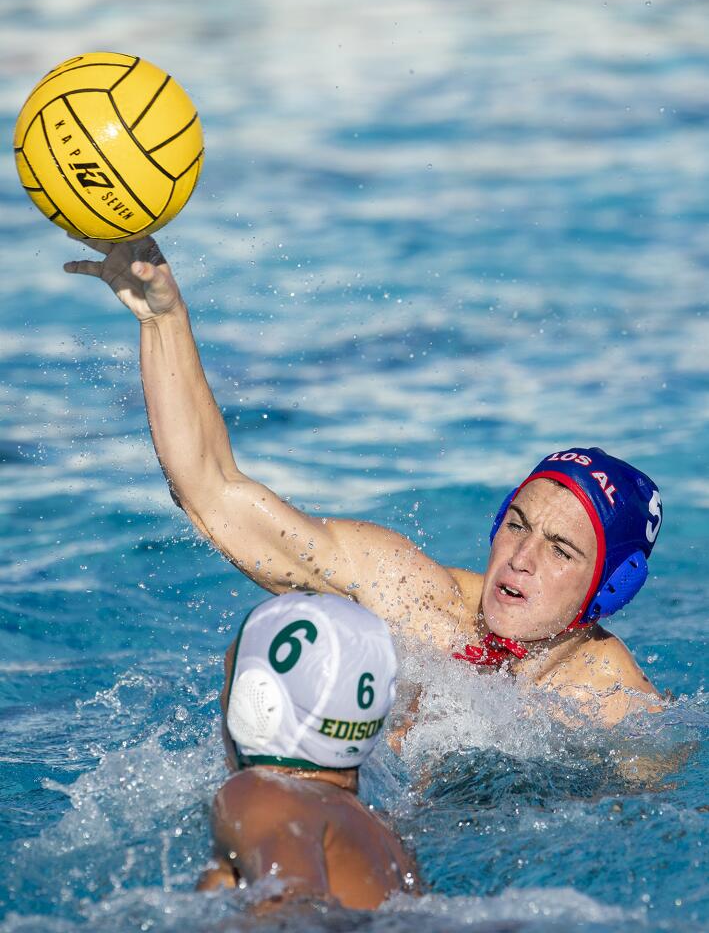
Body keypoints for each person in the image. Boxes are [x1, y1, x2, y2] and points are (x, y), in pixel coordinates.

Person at [64, 235, 664, 726]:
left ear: (608, 590)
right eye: (517, 524)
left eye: (561, 550)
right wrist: (164, 319)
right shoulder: (411, 597)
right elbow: (213, 494)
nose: (521, 558)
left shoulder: (619, 709)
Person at [196, 590, 417, 908]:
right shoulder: (386, 837)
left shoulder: (264, 795)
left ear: (257, 699)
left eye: (229, 678)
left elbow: (294, 915)